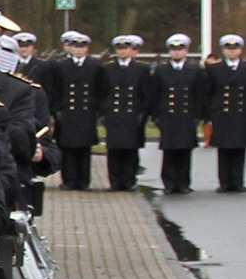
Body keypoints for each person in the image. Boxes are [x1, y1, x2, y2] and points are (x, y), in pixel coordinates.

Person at [37, 30, 104, 189]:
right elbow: (54, 90)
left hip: (86, 113)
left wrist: (96, 109)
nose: (79, 50)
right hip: (66, 114)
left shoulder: (95, 66)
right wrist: (56, 110)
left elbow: (101, 89)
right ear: (70, 48)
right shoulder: (61, 66)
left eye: (82, 47)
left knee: (84, 150)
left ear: (87, 48)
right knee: (67, 149)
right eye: (75, 46)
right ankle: (69, 180)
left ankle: (84, 181)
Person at [153, 35, 207, 194]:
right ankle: (169, 183)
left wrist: (198, 116)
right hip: (168, 116)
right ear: (169, 51)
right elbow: (155, 94)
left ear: (186, 51)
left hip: (187, 116)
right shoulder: (161, 70)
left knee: (185, 150)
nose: (177, 53)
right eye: (174, 50)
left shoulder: (194, 70)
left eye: (180, 49)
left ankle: (183, 183)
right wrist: (156, 116)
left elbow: (199, 95)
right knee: (169, 151)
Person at [98, 35, 151, 191]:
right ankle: (115, 181)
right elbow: (102, 92)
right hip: (114, 115)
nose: (122, 52)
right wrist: (104, 111)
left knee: (130, 150)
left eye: (125, 48)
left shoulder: (141, 69)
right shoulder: (107, 69)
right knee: (114, 150)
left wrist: (142, 113)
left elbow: (145, 93)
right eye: (119, 49)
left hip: (132, 115)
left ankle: (129, 180)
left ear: (131, 50)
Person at [208, 35, 246, 192]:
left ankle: (237, 182)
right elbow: (209, 93)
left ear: (240, 50)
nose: (232, 52)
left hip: (241, 114)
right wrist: (210, 115)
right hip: (222, 115)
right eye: (228, 49)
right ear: (223, 51)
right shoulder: (214, 69)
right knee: (223, 149)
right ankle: (224, 182)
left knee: (239, 148)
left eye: (235, 49)